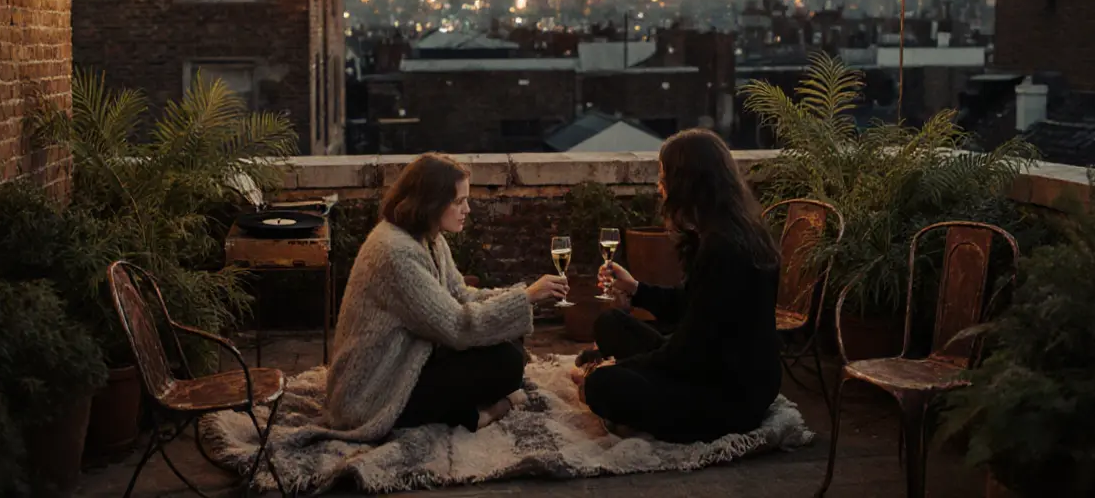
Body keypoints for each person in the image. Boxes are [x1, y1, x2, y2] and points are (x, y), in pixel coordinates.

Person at [324, 153, 569, 441]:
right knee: (508, 363)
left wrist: (520, 296)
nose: (467, 208)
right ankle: (476, 415)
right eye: (458, 201)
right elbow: (456, 326)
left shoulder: (429, 238)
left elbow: (460, 294)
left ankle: (467, 412)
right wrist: (525, 297)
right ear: (431, 202)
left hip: (412, 360)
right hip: (373, 390)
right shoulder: (396, 252)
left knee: (509, 344)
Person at [579, 128, 783, 443]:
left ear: (687, 183)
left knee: (601, 385)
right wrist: (636, 289)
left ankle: (640, 417)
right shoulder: (723, 232)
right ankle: (631, 409)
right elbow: (691, 305)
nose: (660, 186)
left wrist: (610, 369)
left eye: (664, 177)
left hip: (729, 395)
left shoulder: (725, 248)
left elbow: (686, 354)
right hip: (709, 368)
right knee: (611, 323)